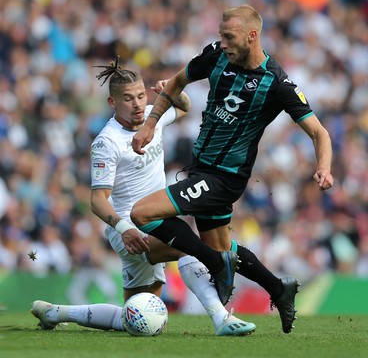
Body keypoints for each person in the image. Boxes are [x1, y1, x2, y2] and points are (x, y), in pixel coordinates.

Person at [122, 4, 334, 333]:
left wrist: (324, 167)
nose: (222, 43)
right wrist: (150, 124)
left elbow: (319, 132)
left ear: (252, 36)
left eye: (229, 37)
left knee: (142, 214)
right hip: (200, 169)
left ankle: (213, 262)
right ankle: (279, 289)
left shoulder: (277, 83)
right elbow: (177, 81)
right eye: (221, 36)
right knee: (222, 246)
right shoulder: (217, 55)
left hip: (224, 178)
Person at [31, 57, 256, 336]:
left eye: (140, 96)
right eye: (128, 99)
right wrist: (124, 229)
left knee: (137, 313)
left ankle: (56, 312)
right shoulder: (106, 142)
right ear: (113, 103)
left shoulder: (153, 116)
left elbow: (185, 108)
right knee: (191, 246)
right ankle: (221, 318)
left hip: (157, 221)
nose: (137, 104)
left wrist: (172, 90)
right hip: (129, 226)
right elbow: (98, 199)